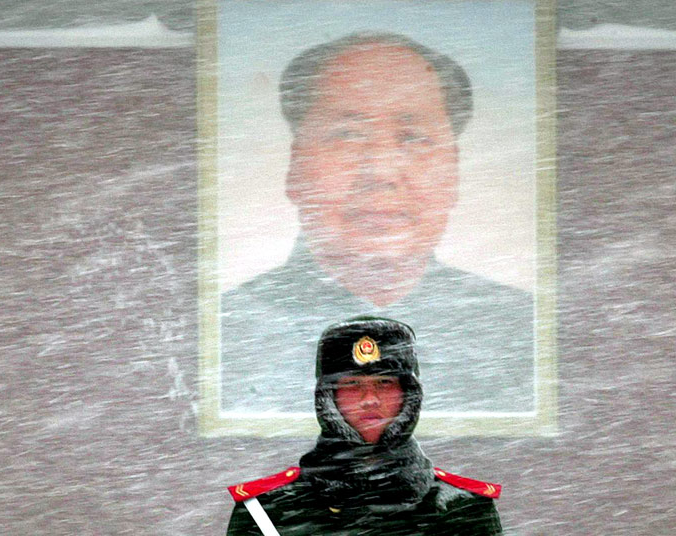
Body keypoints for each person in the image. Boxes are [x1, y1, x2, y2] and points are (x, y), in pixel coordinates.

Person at [220, 32, 534, 414]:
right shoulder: (224, 332)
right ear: (295, 167)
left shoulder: (523, 329)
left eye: (414, 138)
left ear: (453, 172)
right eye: (347, 135)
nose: (381, 172)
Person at [212, 317, 522, 536]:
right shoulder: (268, 513)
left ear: (408, 395)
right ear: (328, 398)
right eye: (353, 384)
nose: (370, 399)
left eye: (385, 383)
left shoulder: (463, 510)